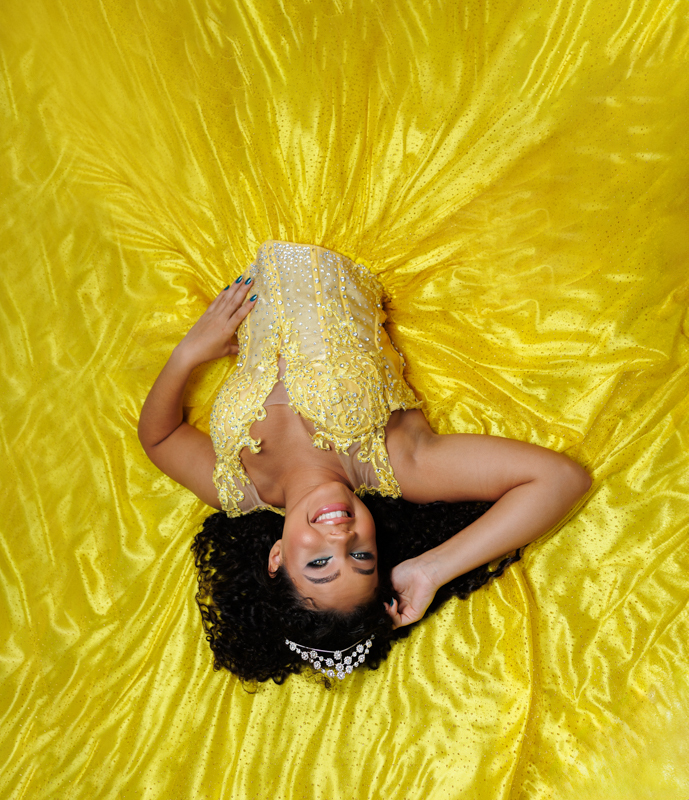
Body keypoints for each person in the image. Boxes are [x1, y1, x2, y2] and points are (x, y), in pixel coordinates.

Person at [138, 241, 591, 685]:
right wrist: (429, 570)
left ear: (276, 557)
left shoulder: (238, 490)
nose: (341, 537)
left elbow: (160, 438)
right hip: (352, 239)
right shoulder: (396, 464)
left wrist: (187, 355)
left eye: (319, 563)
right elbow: (560, 478)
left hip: (240, 245)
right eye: (361, 557)